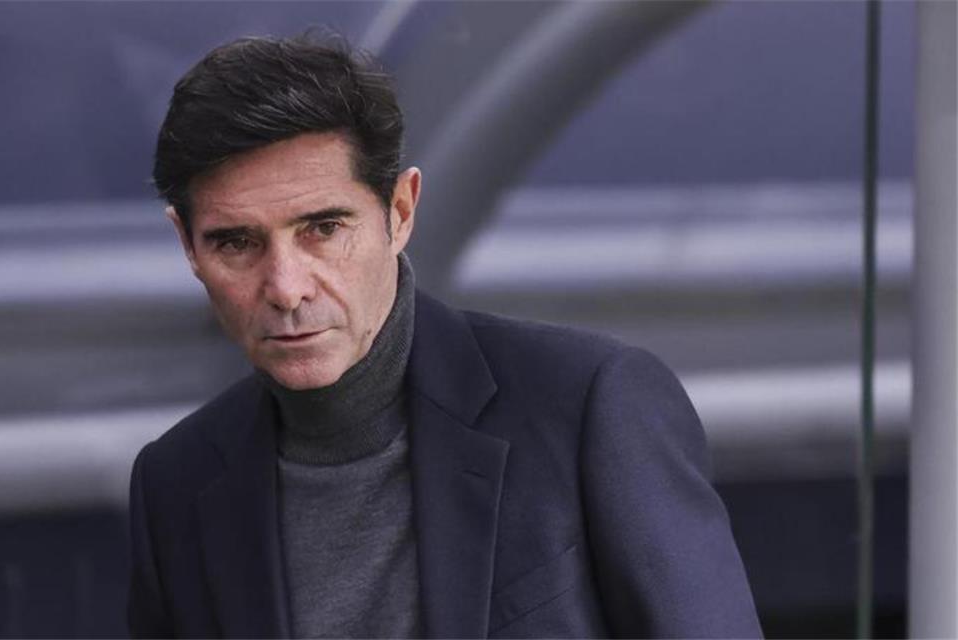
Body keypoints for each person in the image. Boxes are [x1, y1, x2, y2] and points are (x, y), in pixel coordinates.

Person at [128, 33, 762, 639]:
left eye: (323, 229)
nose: (287, 288)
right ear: (187, 245)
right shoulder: (175, 484)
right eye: (237, 243)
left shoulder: (588, 408)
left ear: (400, 212)